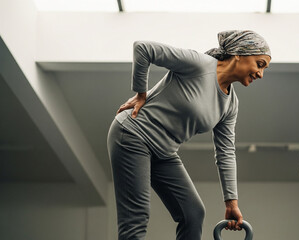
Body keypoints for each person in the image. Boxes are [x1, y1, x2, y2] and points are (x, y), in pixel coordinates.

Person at [107, 30, 271, 240]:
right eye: (260, 64)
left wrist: (232, 203)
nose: (261, 74)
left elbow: (226, 153)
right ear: (239, 54)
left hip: (164, 151)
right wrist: (141, 93)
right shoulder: (200, 65)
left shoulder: (230, 104)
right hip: (133, 134)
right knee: (136, 218)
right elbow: (143, 48)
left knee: (192, 213)